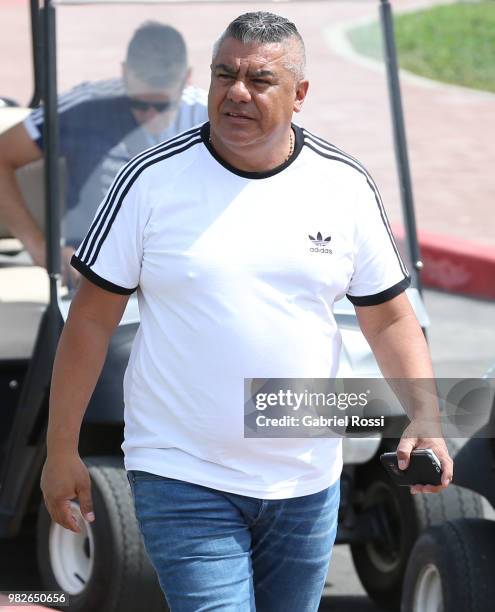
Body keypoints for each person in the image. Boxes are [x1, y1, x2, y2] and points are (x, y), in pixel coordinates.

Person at [40, 11, 453, 611]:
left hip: (307, 479)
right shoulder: (150, 182)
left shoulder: (345, 186)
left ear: (299, 94)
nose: (236, 91)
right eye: (223, 74)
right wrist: (60, 449)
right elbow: (90, 320)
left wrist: (425, 414)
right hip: (180, 470)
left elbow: (389, 317)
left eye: (259, 80)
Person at [0, 21, 207, 285]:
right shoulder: (86, 105)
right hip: (89, 273)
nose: (151, 116)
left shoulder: (208, 116)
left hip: (179, 273)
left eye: (163, 105)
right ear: (123, 74)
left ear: (186, 79)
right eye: (140, 104)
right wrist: (40, 247)